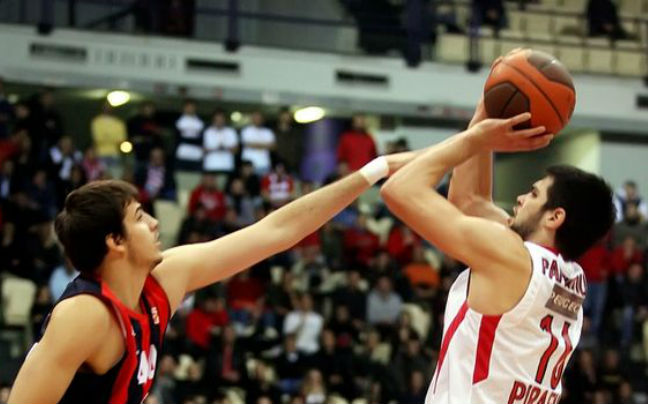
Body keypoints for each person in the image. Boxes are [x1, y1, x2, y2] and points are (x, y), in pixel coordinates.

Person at [7, 142, 421, 404]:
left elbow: (277, 231)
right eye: (139, 217)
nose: (154, 223)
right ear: (115, 241)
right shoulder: (84, 315)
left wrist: (375, 170)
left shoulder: (165, 279)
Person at [380, 99, 615, 403]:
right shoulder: (571, 278)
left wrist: (474, 140)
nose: (520, 198)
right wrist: (487, 110)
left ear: (555, 217)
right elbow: (469, 201)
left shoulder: (511, 257)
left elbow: (399, 190)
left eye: (533, 194)